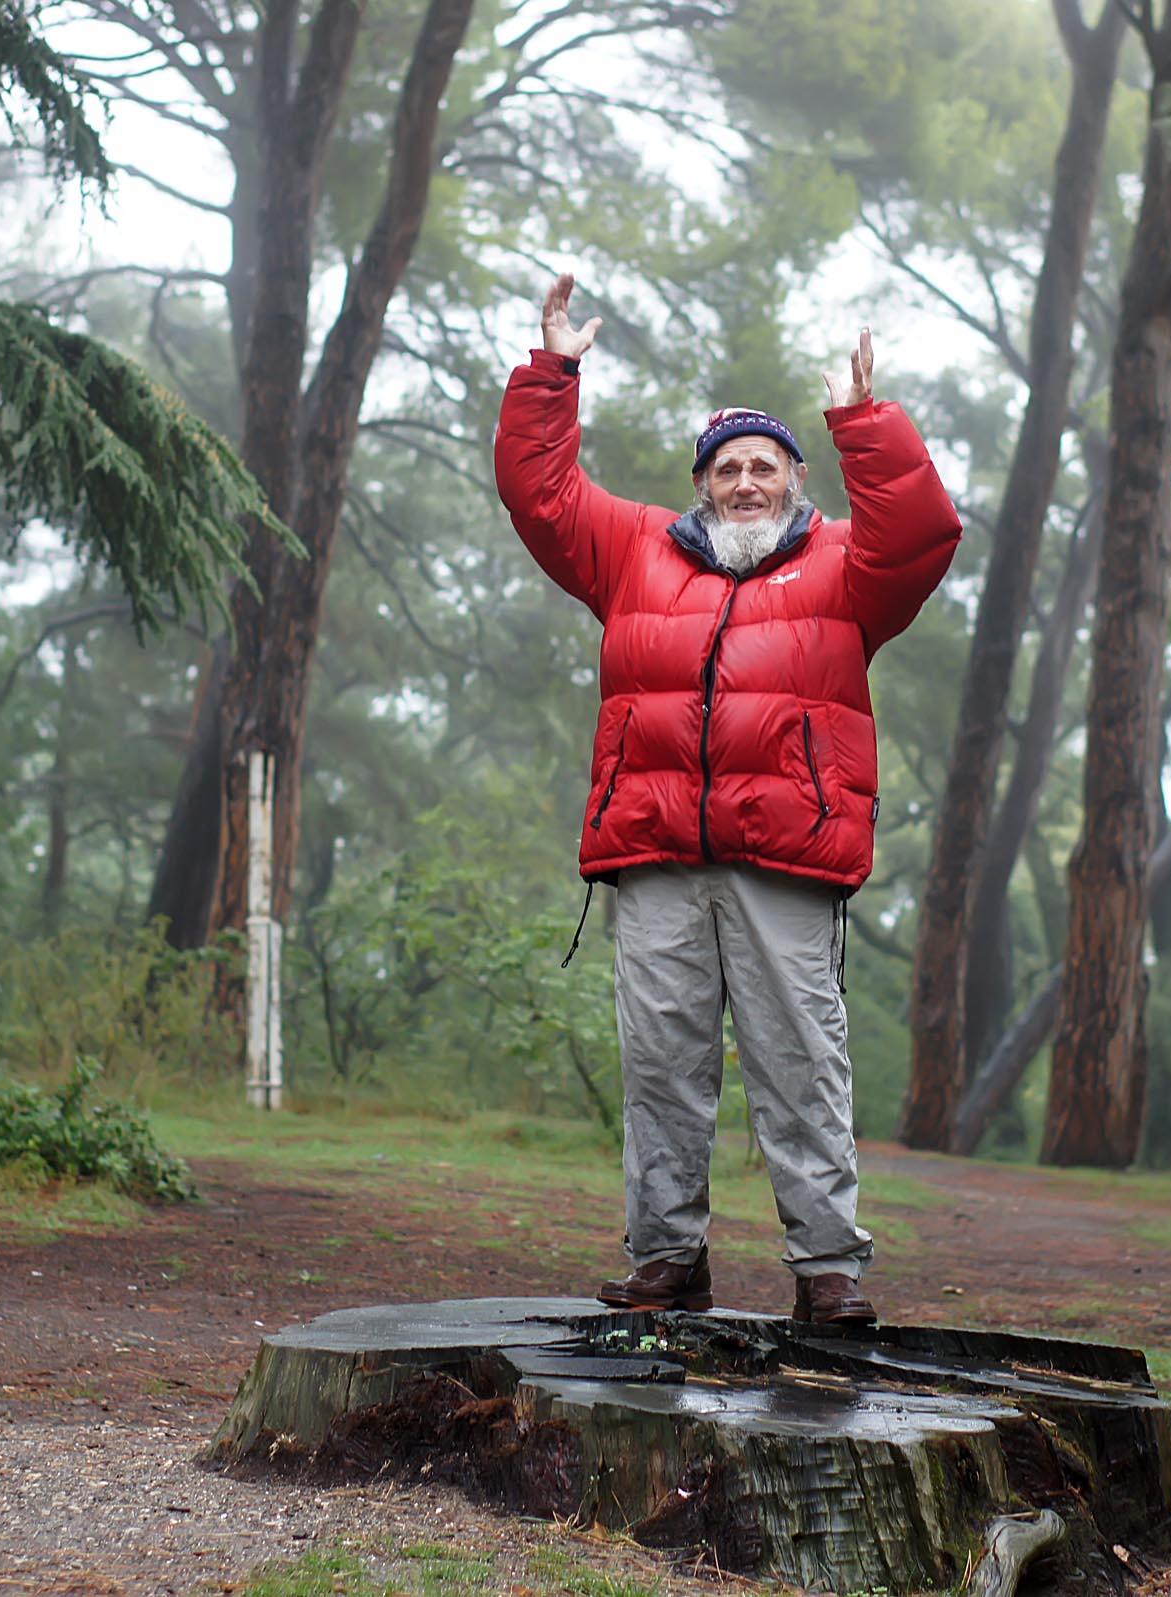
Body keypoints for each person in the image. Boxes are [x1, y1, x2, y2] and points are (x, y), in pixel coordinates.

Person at [493, 273, 961, 1326]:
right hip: (655, 853)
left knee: (801, 1065)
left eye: (766, 466)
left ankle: (829, 1268)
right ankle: (668, 1257)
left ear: (799, 479)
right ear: (702, 482)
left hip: (784, 859)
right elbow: (540, 493)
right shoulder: (636, 554)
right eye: (727, 468)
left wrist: (863, 422)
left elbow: (926, 530)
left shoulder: (848, 568)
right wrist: (552, 371)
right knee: (662, 1066)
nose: (746, 482)